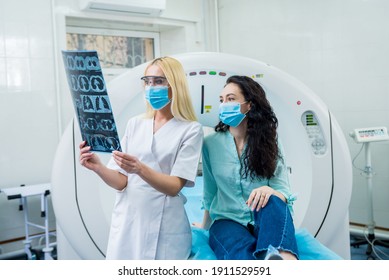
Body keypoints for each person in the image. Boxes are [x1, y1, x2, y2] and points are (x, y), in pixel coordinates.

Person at [79, 56, 203, 260]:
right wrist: (98, 167)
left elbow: (174, 186)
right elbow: (121, 182)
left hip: (165, 225)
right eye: (148, 81)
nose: (151, 87)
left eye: (159, 81)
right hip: (130, 219)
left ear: (175, 85)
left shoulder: (190, 129)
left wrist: (139, 169)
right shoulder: (135, 124)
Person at [196, 75, 299, 260]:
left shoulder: (270, 141)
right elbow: (210, 193)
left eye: (231, 99)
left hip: (264, 215)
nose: (224, 105)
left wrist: (269, 190)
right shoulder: (210, 143)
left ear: (249, 105)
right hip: (227, 220)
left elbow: (283, 190)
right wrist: (204, 228)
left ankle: (281, 259)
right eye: (221, 100)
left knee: (274, 200)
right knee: (240, 251)